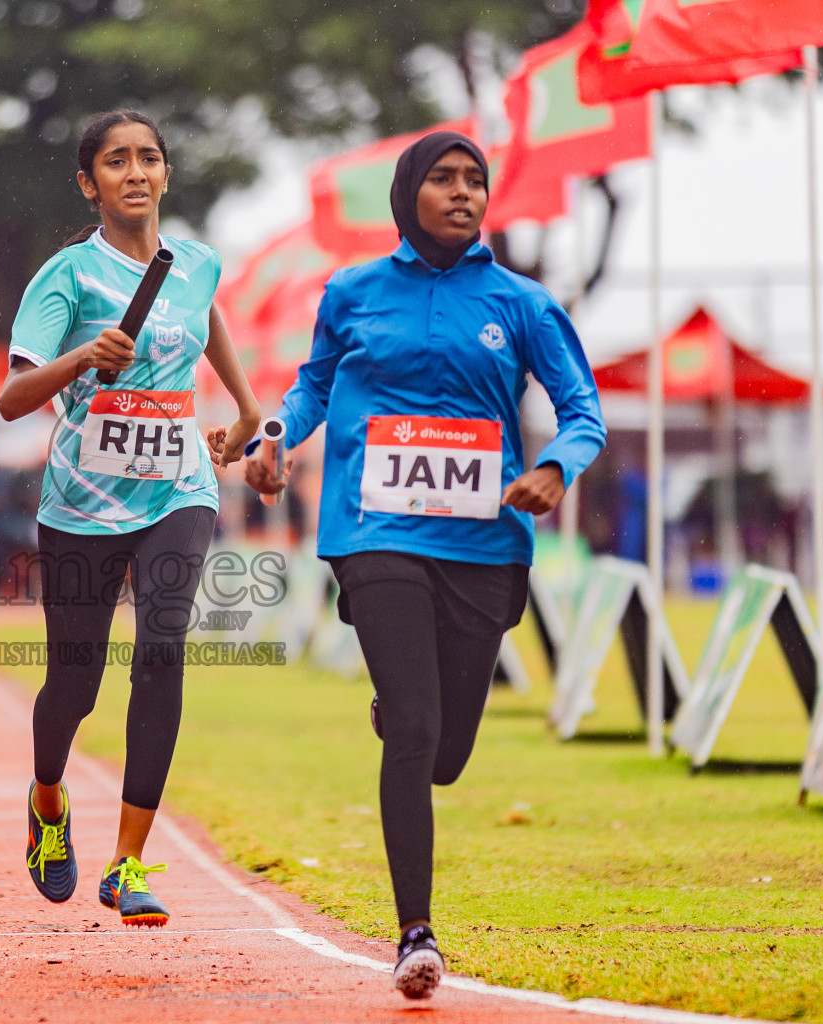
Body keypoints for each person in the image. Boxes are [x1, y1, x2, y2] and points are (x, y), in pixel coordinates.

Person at [244, 131, 605, 998]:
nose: (462, 193)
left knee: (445, 753)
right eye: (442, 179)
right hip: (375, 532)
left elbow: (581, 408)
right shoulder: (354, 291)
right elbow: (313, 386)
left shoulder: (521, 303)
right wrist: (276, 437)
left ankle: (405, 708)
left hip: (484, 544)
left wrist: (555, 469)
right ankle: (415, 934)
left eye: (475, 181)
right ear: (410, 194)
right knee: (413, 728)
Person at [0, 109, 260, 927]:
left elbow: (203, 312)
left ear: (167, 176)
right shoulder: (66, 278)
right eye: (117, 161)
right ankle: (47, 802)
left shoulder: (198, 263)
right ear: (90, 182)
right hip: (81, 506)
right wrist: (83, 357)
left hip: (180, 486)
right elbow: (11, 400)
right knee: (73, 685)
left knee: (163, 649)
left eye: (150, 158)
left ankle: (129, 861)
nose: (136, 172)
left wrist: (247, 412)